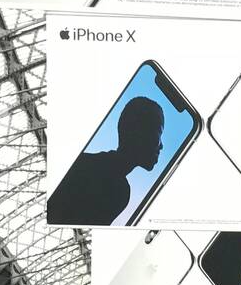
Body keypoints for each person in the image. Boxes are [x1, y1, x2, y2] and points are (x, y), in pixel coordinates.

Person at [47, 95, 165, 227]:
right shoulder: (119, 192)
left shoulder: (83, 164)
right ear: (139, 132)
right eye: (159, 134)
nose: (161, 146)